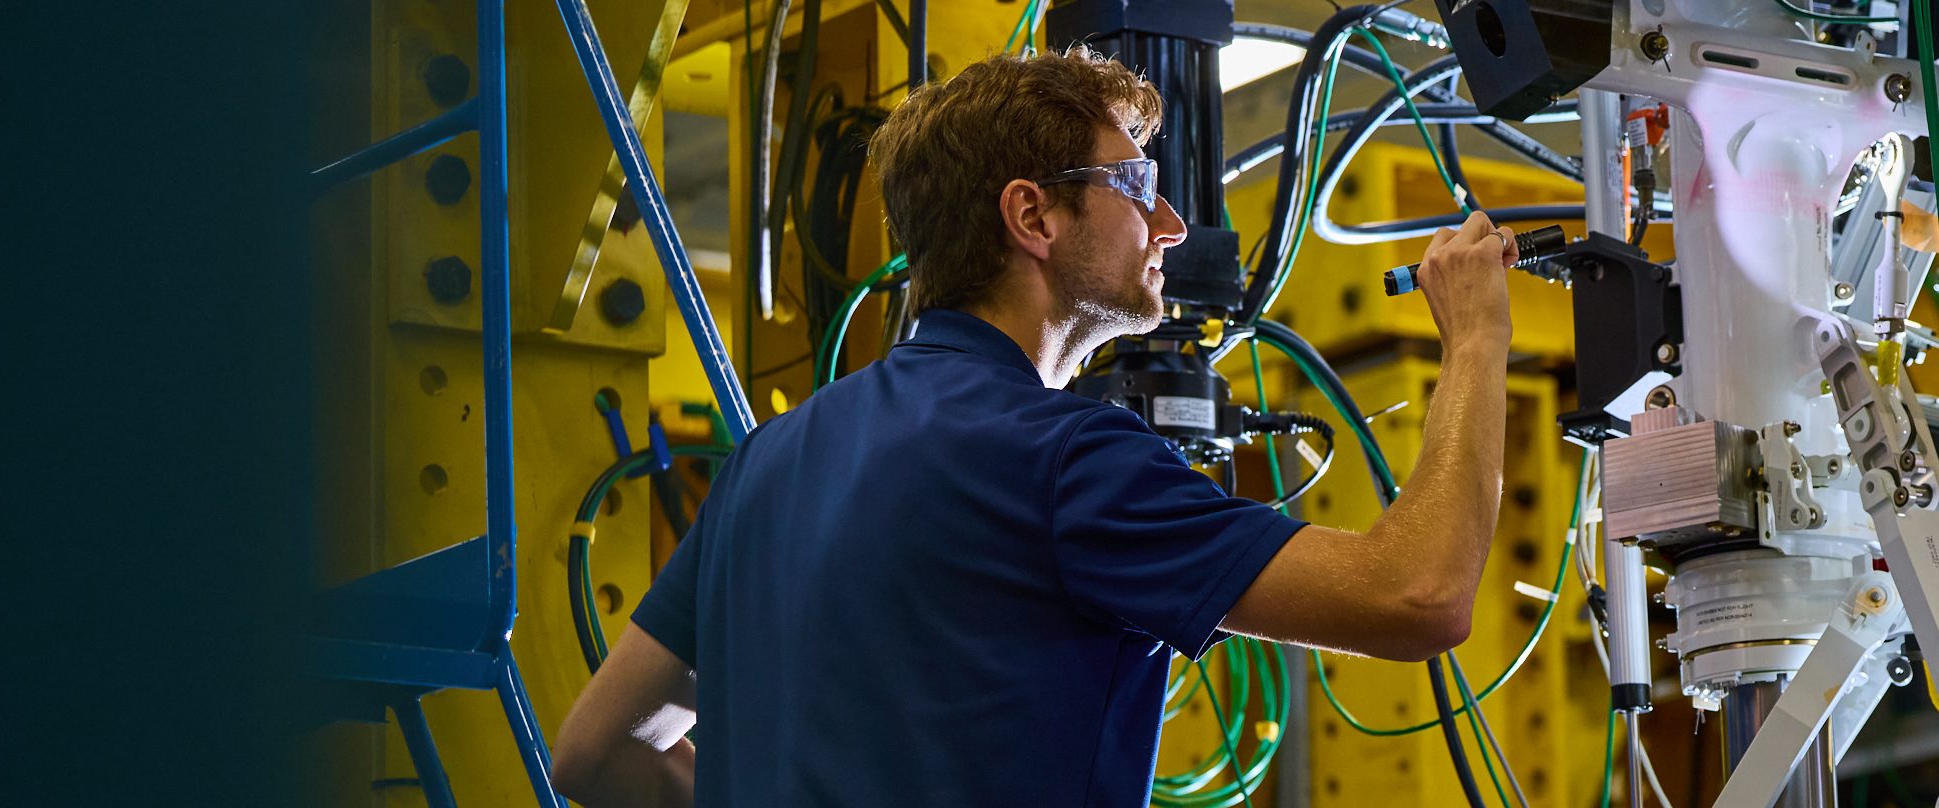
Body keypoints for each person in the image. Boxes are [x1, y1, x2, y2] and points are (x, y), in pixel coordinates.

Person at [547, 46, 1520, 807]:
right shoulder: (1064, 461)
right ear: (1033, 216)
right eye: (1136, 186)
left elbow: (593, 751)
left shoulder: (766, 462)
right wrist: (1475, 338)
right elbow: (1417, 596)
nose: (1172, 223)